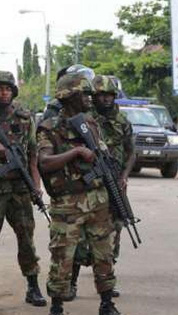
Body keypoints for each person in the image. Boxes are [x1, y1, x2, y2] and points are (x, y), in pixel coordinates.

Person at [37, 72, 119, 315]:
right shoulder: (49, 127)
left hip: (97, 199)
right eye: (84, 94)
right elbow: (45, 162)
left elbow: (102, 153)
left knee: (103, 253)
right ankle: (57, 306)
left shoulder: (90, 123)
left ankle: (106, 302)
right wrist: (75, 153)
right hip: (67, 203)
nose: (89, 98)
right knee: (63, 256)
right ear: (69, 96)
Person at [63, 75, 135, 301]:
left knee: (113, 234)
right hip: (88, 185)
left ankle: (106, 282)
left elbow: (132, 151)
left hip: (113, 182)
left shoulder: (122, 121)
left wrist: (124, 176)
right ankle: (72, 282)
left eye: (109, 95)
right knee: (80, 238)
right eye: (100, 95)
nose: (105, 99)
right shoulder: (84, 119)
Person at [0, 71, 47, 307]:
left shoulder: (25, 117)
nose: (4, 92)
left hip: (19, 187)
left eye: (7, 88)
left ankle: (33, 286)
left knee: (26, 239)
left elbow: (33, 154)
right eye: (0, 88)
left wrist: (36, 186)